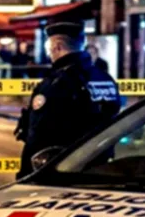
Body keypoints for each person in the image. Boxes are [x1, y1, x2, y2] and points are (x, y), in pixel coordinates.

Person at [16, 20, 120, 179]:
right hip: (100, 164)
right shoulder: (104, 78)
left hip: (63, 169)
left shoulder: (57, 83)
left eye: (49, 48)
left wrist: (26, 173)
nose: (49, 53)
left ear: (57, 47)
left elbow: (39, 135)